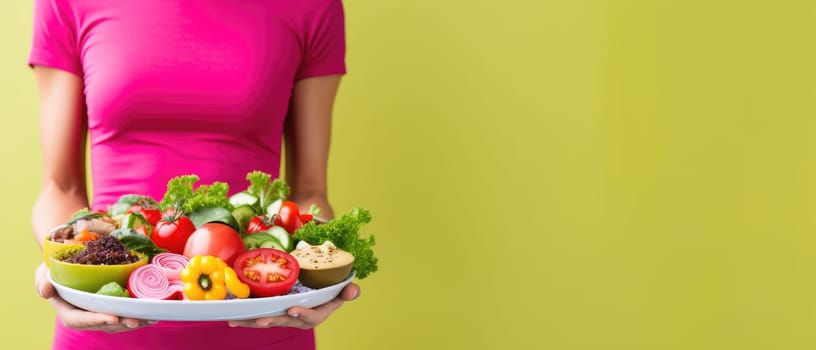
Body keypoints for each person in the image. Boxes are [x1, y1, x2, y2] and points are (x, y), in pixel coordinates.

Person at [28, 0, 360, 348]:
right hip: (107, 321)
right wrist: (64, 270)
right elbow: (60, 187)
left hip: (264, 319)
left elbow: (309, 192)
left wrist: (321, 276)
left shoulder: (312, 7)